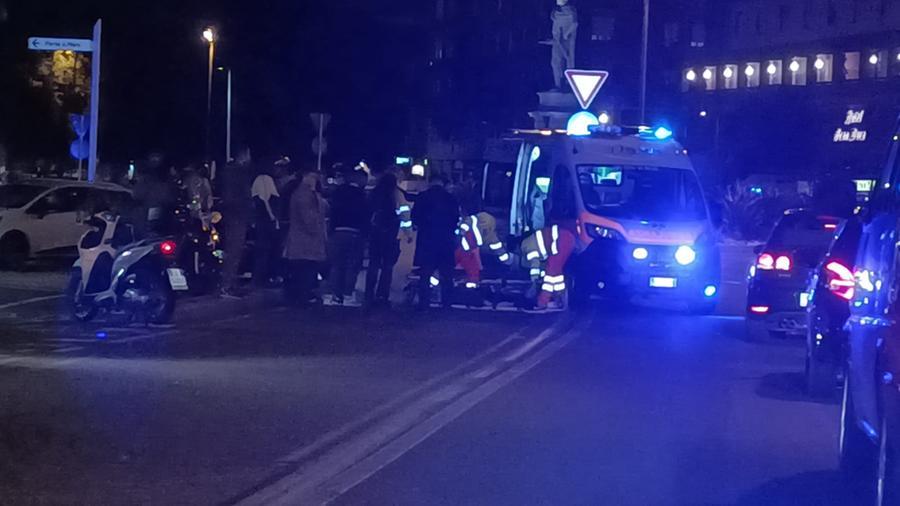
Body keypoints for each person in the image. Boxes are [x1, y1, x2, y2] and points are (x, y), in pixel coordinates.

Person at [412, 174, 460, 309]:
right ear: (443, 184)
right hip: (446, 241)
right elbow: (455, 219)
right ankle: (447, 303)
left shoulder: (422, 197)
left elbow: (415, 219)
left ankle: (424, 304)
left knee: (425, 274)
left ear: (430, 182)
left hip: (427, 241)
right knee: (446, 274)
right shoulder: (451, 199)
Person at [284, 171, 328, 306]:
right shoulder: (305, 195)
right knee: (306, 270)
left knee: (302, 270)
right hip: (306, 242)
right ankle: (304, 297)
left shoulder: (301, 193)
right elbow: (309, 219)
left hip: (302, 242)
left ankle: (301, 296)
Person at [327, 168, 369, 306]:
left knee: (337, 265)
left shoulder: (338, 192)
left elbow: (331, 211)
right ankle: (348, 295)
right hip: (354, 233)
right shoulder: (361, 195)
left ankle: (336, 296)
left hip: (337, 232)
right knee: (352, 265)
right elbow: (365, 216)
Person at [219, 146, 254, 298]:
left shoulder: (233, 172)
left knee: (235, 251)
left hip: (235, 215)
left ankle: (229, 284)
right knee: (234, 250)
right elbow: (237, 196)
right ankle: (227, 286)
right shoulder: (236, 173)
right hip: (236, 216)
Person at [365, 172, 403, 306]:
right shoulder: (396, 195)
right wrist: (407, 233)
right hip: (391, 235)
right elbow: (404, 214)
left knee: (373, 264)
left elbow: (367, 213)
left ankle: (368, 294)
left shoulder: (374, 194)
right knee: (387, 266)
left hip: (375, 234)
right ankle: (382, 295)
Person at [251, 165, 281, 287]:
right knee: (268, 252)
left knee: (262, 253)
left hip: (261, 225)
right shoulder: (272, 195)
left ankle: (260, 278)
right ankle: (266, 278)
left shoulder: (257, 195)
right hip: (268, 226)